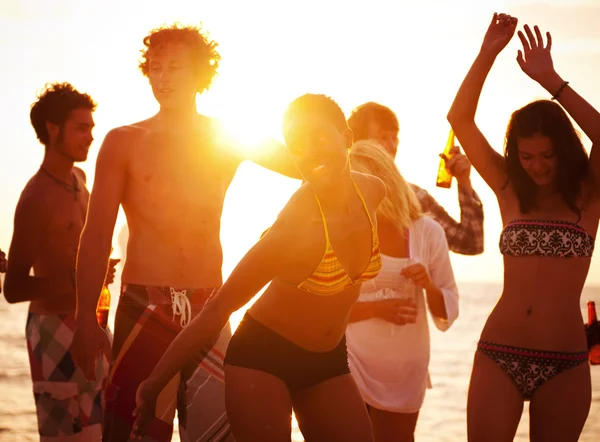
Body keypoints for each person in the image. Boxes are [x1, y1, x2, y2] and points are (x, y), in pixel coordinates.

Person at [70, 23, 300, 442]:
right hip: (144, 307)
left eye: (174, 67)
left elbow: (303, 166)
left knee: (217, 435)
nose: (162, 78)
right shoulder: (123, 141)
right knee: (134, 433)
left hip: (210, 307)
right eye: (155, 67)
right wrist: (85, 315)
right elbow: (96, 234)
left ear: (200, 74)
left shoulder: (227, 136)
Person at [130, 93, 386, 442]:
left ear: (347, 138)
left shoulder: (373, 191)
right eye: (298, 146)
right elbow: (218, 308)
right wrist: (151, 386)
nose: (311, 152)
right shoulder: (295, 228)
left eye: (321, 139)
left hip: (328, 360)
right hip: (262, 358)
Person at [447, 13, 600, 441]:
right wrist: (487, 53)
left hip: (566, 362)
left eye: (548, 156)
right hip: (500, 353)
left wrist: (552, 81)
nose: (538, 167)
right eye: (528, 157)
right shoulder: (508, 187)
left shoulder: (589, 195)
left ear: (565, 151)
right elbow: (460, 119)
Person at [2, 82, 117, 441]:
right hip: (52, 329)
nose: (90, 137)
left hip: (93, 321)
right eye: (81, 128)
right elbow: (14, 288)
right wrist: (74, 278)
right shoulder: (36, 197)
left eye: (92, 128)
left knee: (104, 432)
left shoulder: (79, 180)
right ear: (52, 129)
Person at [347, 140, 459, 442]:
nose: (359, 193)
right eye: (352, 183)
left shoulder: (426, 232)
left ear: (387, 181)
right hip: (350, 360)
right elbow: (321, 311)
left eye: (366, 182)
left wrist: (427, 284)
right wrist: (376, 309)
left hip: (403, 370)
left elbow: (447, 308)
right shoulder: (345, 231)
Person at [348, 102, 485, 255]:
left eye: (395, 138)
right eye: (383, 137)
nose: (392, 145)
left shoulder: (413, 197)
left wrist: (464, 181)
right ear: (355, 143)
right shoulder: (336, 193)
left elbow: (470, 243)